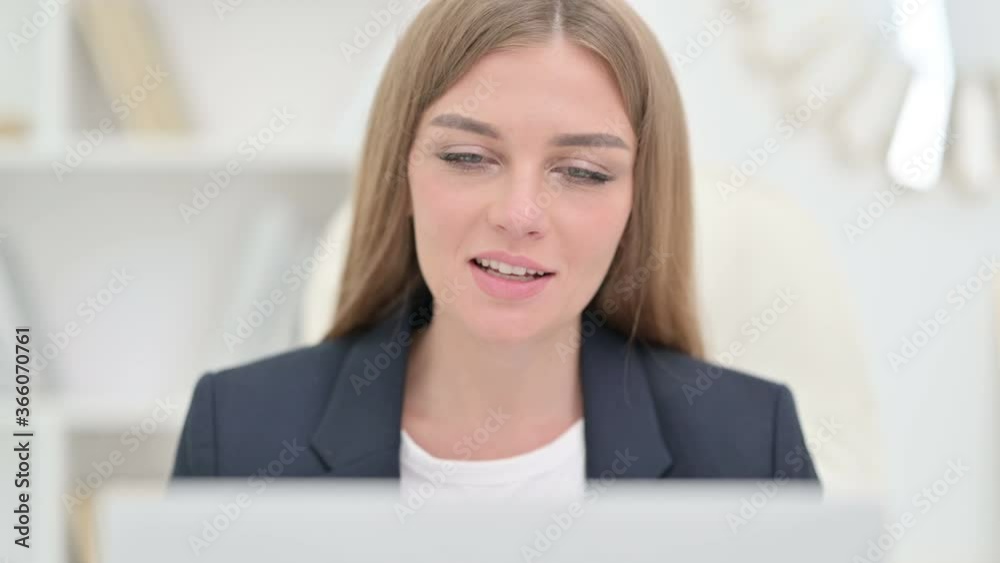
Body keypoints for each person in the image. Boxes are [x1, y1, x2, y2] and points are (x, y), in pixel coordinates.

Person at [172, 0, 819, 499]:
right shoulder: (239, 437)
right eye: (467, 157)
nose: (518, 214)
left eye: (583, 171)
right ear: (401, 174)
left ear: (636, 204)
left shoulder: (749, 451)